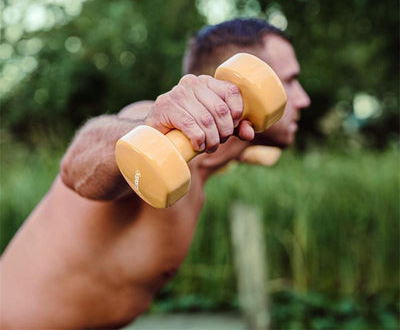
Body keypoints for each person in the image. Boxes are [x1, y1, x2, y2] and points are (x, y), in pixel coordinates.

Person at [0, 18, 310, 329]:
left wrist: (252, 139)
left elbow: (253, 152)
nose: (303, 99)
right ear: (243, 86)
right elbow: (77, 162)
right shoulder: (155, 132)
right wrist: (146, 130)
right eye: (290, 80)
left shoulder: (209, 158)